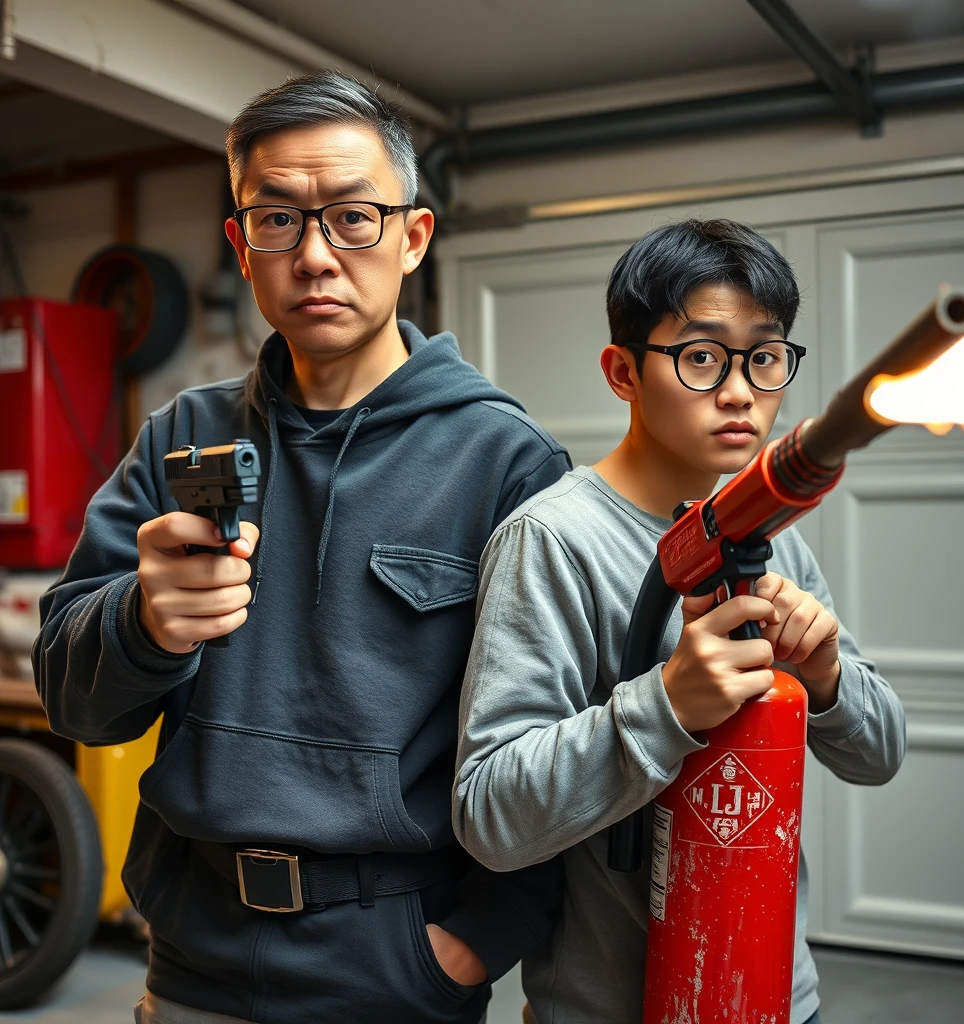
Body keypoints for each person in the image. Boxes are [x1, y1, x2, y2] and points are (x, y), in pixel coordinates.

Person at [34, 70, 569, 1024]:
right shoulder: (179, 438)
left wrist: (479, 943)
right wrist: (144, 621)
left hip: (397, 971)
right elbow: (77, 705)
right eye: (278, 220)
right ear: (241, 249)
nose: (317, 255)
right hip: (191, 956)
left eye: (353, 218)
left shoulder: (504, 460)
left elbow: (552, 734)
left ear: (412, 237)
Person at [453, 219, 906, 1024]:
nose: (740, 391)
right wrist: (667, 705)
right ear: (622, 371)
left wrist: (827, 678)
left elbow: (880, 756)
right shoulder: (554, 541)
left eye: (764, 358)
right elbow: (491, 814)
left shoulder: (773, 542)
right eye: (701, 357)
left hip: (773, 999)